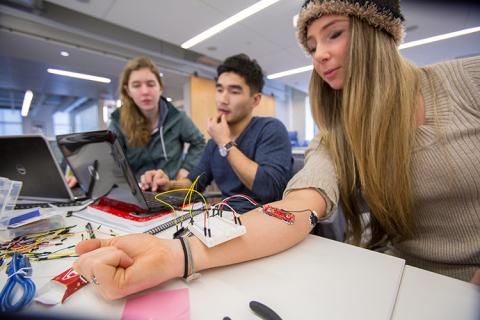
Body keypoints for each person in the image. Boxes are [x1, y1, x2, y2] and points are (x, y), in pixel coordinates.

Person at [73, 0, 480, 300]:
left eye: (334, 34)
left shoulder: (465, 79)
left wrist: (225, 144)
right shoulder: (335, 133)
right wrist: (176, 253)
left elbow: (270, 187)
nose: (319, 54)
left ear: (380, 32)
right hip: (402, 278)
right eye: (312, 44)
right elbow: (298, 204)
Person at [139, 54, 293, 213]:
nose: (223, 99)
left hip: (265, 220)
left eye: (234, 91)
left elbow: (270, 189)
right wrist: (168, 184)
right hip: (224, 220)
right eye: (219, 89)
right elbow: (193, 185)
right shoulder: (214, 143)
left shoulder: (270, 129)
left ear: (255, 99)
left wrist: (225, 142)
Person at [68, 56, 206, 188]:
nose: (145, 91)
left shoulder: (177, 117)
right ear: (128, 91)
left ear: (160, 88)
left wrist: (186, 169)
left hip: (170, 189)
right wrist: (85, 174)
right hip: (139, 193)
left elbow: (199, 142)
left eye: (151, 84)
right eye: (136, 85)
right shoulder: (119, 121)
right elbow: (107, 155)